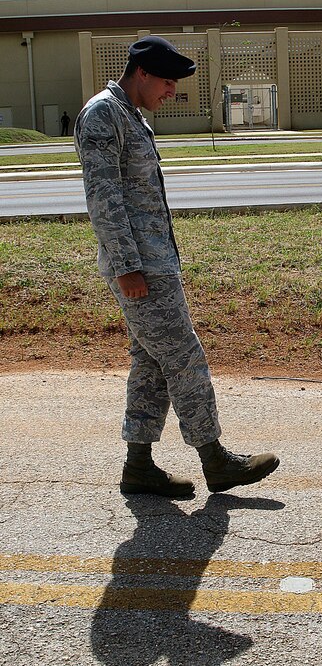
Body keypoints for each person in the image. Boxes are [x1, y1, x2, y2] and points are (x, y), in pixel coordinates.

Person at [74, 35, 279, 498]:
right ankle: (215, 460)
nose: (172, 91)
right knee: (184, 358)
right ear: (141, 73)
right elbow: (103, 198)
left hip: (152, 263)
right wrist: (127, 266)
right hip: (139, 268)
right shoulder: (104, 114)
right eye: (167, 81)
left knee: (151, 363)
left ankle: (139, 465)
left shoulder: (130, 116)